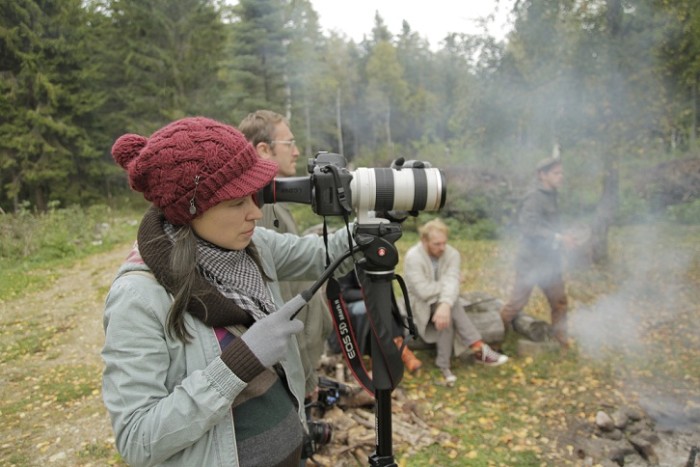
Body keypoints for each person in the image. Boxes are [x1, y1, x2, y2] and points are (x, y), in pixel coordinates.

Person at [101, 117, 355, 466]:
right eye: (237, 203)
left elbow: (319, 256)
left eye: (253, 196)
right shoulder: (140, 297)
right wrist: (237, 365)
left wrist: (373, 226)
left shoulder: (251, 248)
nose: (254, 212)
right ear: (190, 210)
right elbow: (137, 439)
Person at [238, 109, 333, 396]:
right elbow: (282, 301)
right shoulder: (261, 209)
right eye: (289, 144)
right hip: (289, 365)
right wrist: (303, 378)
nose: (297, 152)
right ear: (264, 150)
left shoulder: (270, 201)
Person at [403, 218, 508, 385]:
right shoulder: (413, 257)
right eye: (437, 244)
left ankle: (445, 365)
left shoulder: (452, 254)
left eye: (444, 243)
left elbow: (451, 285)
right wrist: (449, 285)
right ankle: (478, 347)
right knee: (452, 304)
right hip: (420, 306)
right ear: (424, 241)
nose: (442, 248)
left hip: (444, 305)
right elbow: (423, 291)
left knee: (449, 310)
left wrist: (445, 304)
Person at [499, 156, 577, 348]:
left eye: (562, 173)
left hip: (550, 263)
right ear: (542, 175)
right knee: (516, 305)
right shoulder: (534, 197)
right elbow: (529, 227)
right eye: (556, 173)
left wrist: (563, 235)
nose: (561, 177)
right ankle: (494, 342)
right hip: (531, 263)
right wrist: (558, 238)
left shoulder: (552, 195)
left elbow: (548, 225)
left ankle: (561, 341)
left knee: (559, 303)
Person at [326, 269, 423, 372]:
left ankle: (385, 357)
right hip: (347, 307)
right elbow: (345, 293)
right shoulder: (347, 262)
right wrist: (370, 294)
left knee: (380, 309)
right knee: (373, 309)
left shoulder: (375, 259)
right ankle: (403, 352)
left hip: (372, 304)